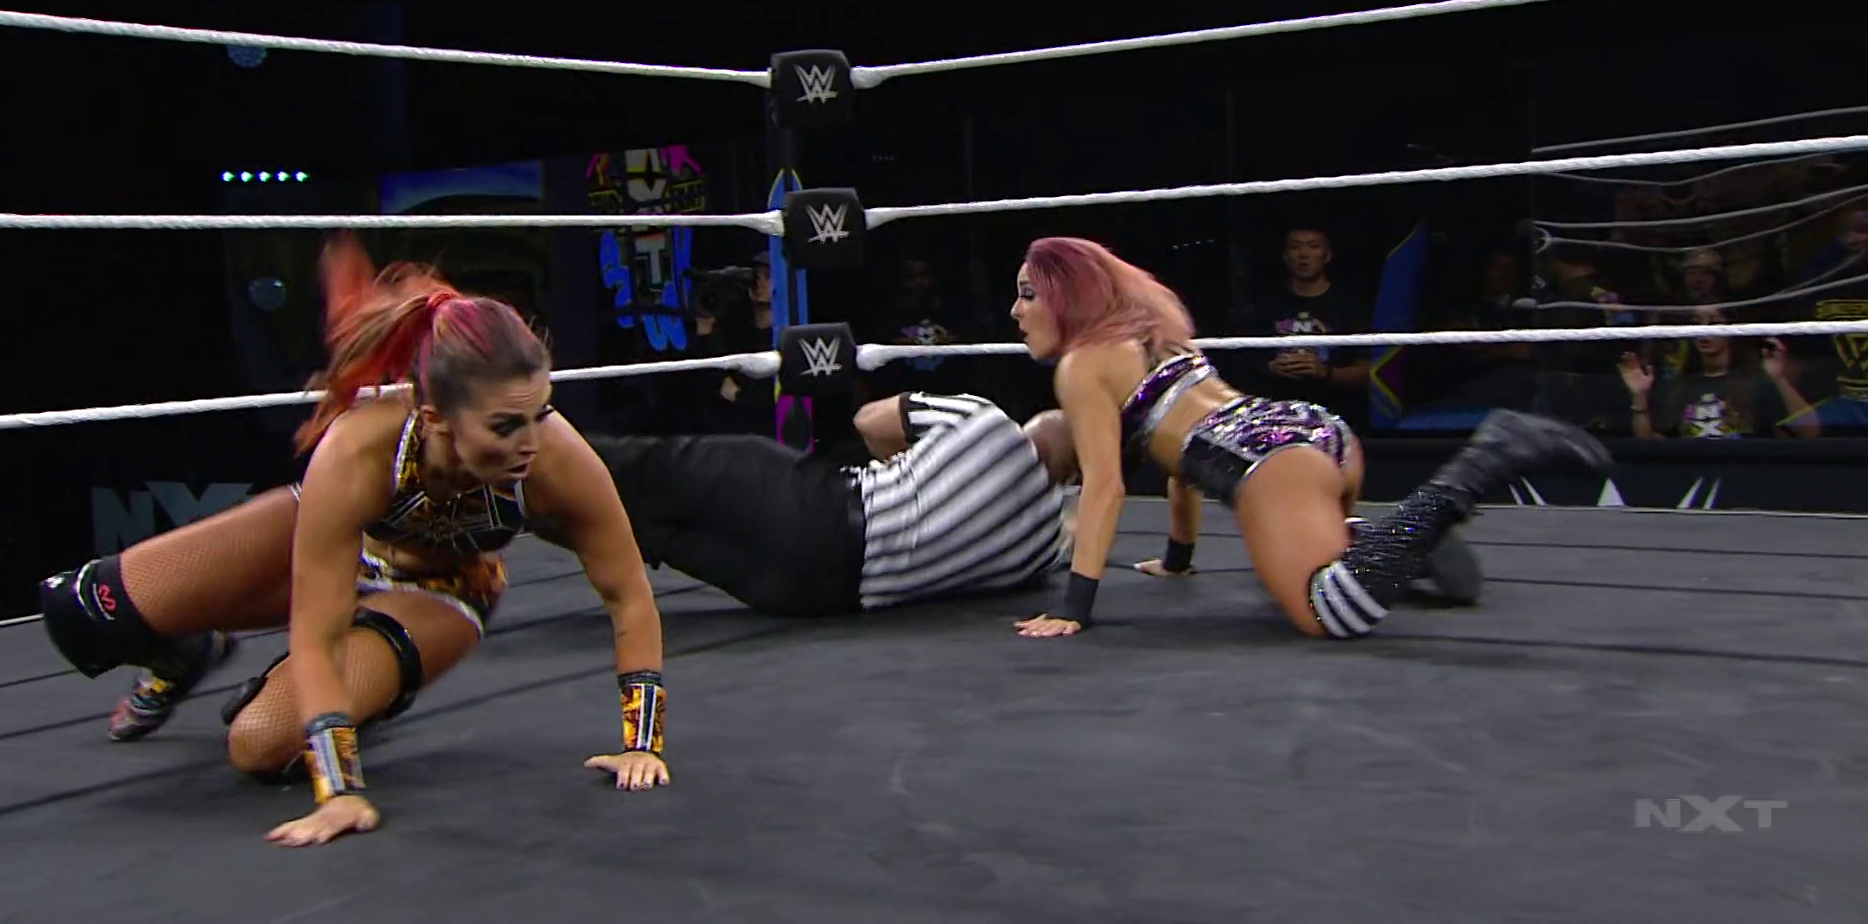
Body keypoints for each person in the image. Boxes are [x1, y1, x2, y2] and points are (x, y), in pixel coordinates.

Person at [36, 233, 670, 848]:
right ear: (435, 418)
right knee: (87, 607)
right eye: (505, 425)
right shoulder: (359, 453)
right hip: (346, 558)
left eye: (541, 411)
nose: (531, 440)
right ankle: (186, 652)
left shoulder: (558, 460)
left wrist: (642, 744)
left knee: (261, 743)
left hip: (441, 592)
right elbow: (319, 633)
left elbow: (628, 593)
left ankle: (376, 683)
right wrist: (338, 791)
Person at [1007, 236, 1612, 641]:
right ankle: (1374, 540)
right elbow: (1177, 464)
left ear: (1070, 297)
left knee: (1329, 612)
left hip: (1269, 465)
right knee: (1323, 566)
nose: (1015, 310)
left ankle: (1480, 465)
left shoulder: (1083, 366)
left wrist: (1073, 608)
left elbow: (1105, 486)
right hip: (1313, 430)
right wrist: (1177, 560)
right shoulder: (1153, 333)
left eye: (1030, 294)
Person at [575, 392, 1077, 616]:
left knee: (643, 467)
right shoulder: (1038, 550)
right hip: (809, 596)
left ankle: (533, 459)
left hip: (814, 508)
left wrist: (912, 465)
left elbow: (870, 421)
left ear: (1030, 425)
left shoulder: (987, 422)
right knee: (641, 528)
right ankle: (532, 496)